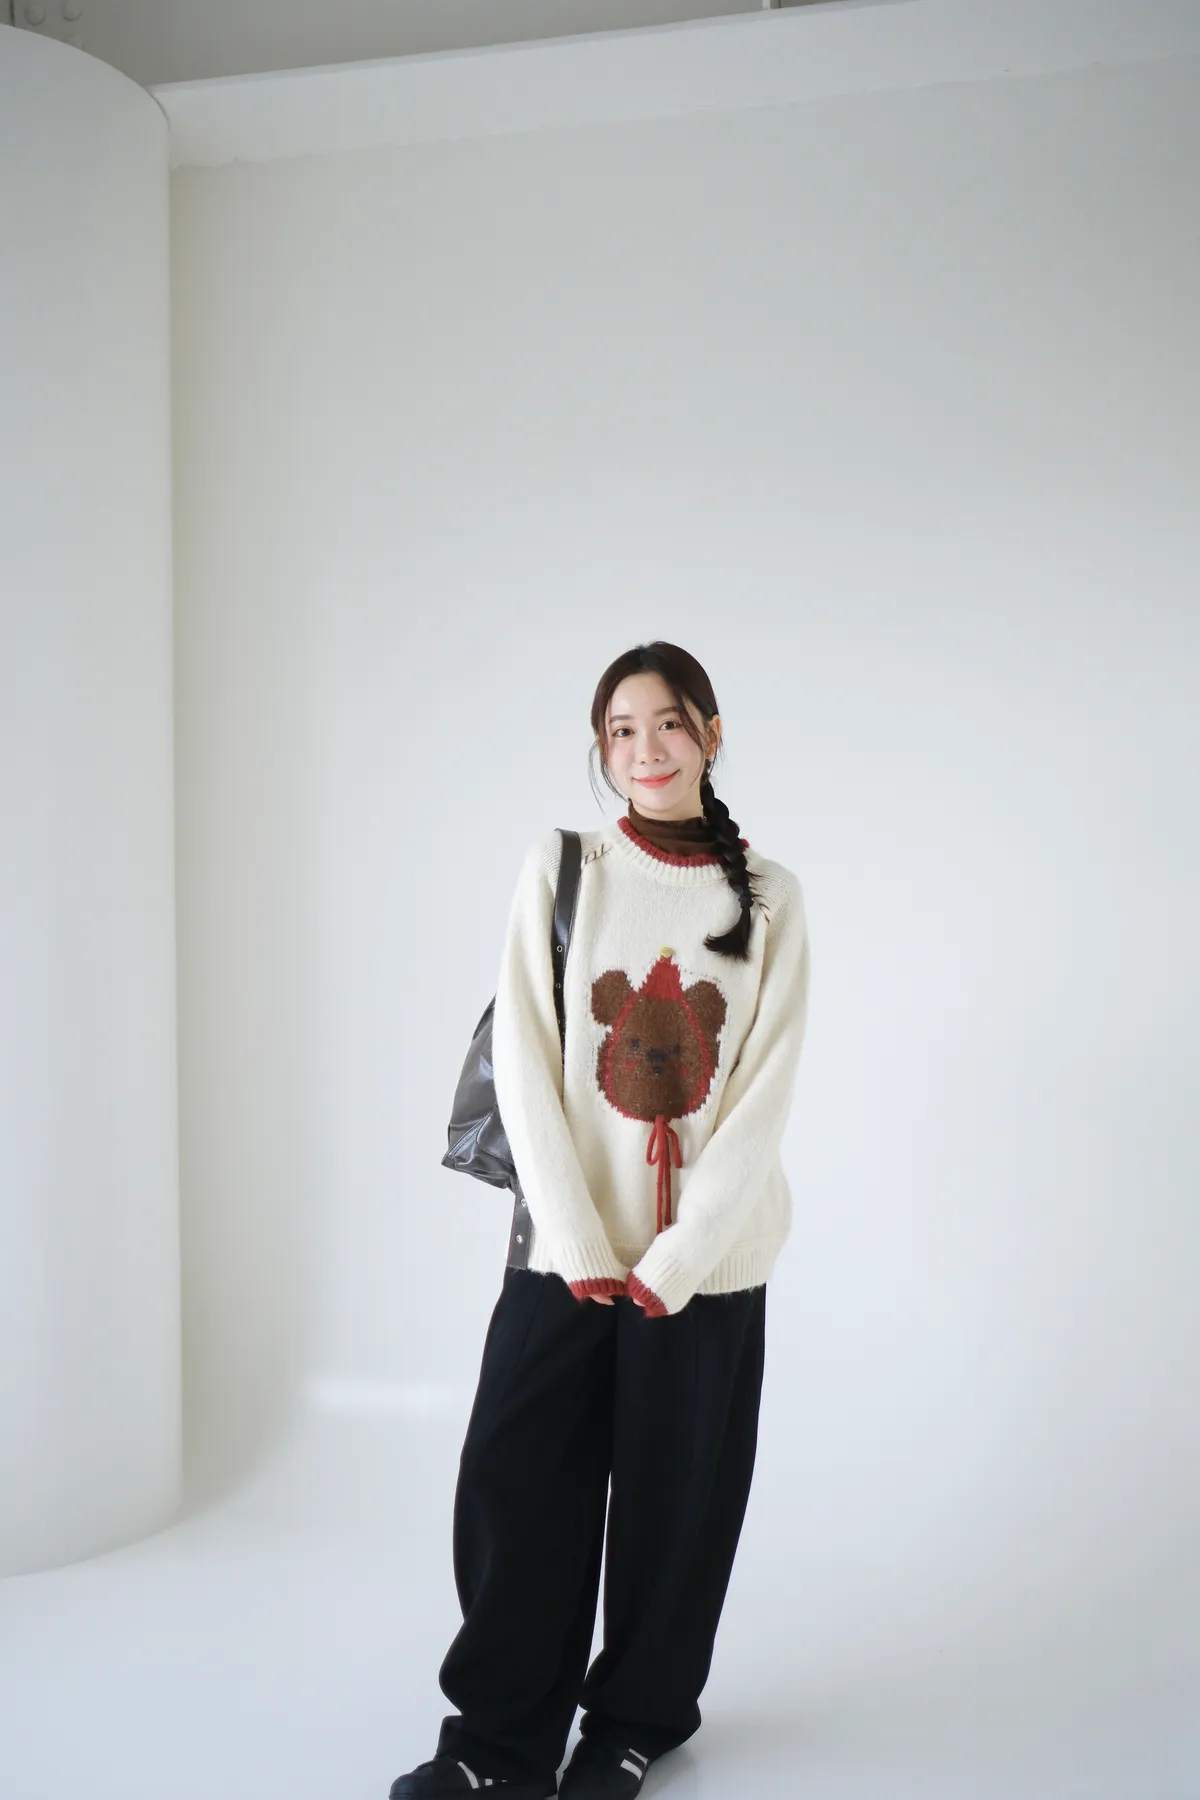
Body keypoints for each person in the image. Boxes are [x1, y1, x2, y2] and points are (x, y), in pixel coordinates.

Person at [389, 641, 811, 1799]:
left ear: (711, 734)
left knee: (681, 1505)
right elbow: (528, 1058)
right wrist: (577, 1238)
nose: (645, 750)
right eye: (621, 731)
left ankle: (634, 1725)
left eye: (667, 723)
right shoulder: (564, 866)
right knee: (520, 1487)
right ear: (602, 749)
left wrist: (683, 1255)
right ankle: (496, 1748)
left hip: (709, 1264)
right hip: (565, 1251)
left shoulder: (770, 897)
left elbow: (764, 1093)